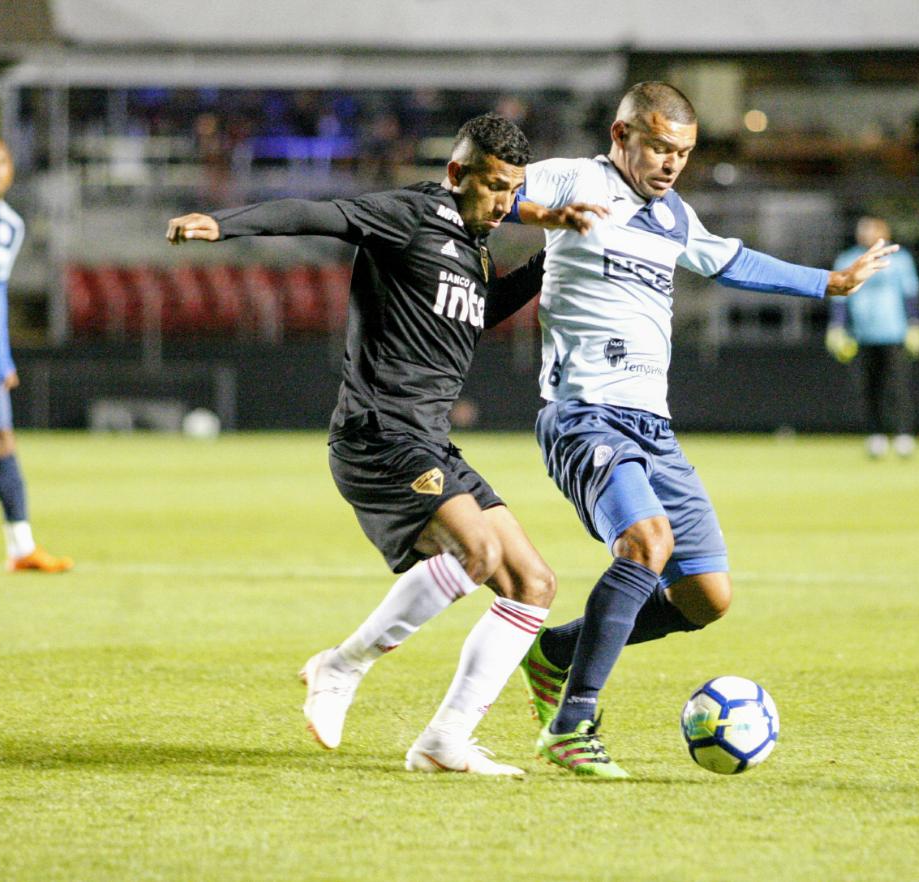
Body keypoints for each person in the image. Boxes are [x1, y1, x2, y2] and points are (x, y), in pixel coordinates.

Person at [167, 113, 602, 775]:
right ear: (457, 174)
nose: (506, 203)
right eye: (493, 188)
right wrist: (225, 223)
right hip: (378, 435)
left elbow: (474, 313)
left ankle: (444, 740)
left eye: (514, 191)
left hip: (429, 440)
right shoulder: (410, 214)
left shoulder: (474, 237)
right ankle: (340, 667)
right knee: (478, 552)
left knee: (534, 585)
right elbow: (319, 213)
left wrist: (547, 259)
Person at [509, 82, 897, 777]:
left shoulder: (674, 216)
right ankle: (573, 722)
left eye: (682, 152)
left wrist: (828, 283)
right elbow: (490, 188)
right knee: (645, 543)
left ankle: (557, 653)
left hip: (652, 427)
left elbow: (734, 259)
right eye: (658, 146)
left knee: (705, 597)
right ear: (621, 134)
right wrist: (543, 213)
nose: (669, 163)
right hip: (584, 413)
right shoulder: (576, 177)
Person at [0, 139, 73, 573]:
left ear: (11, 171)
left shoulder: (11, 225)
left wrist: (2, 359)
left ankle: (21, 547)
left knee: (2, 442)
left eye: (0, 162)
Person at [826, 216, 919, 459]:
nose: (866, 233)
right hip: (862, 334)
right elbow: (839, 296)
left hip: (893, 332)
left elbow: (910, 293)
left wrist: (914, 324)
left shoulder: (900, 260)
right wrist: (837, 327)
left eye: (871, 228)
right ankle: (876, 436)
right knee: (869, 388)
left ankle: (903, 435)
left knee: (897, 387)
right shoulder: (848, 259)